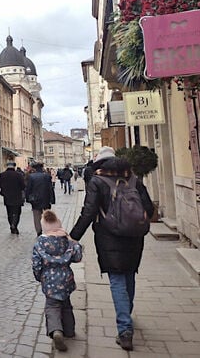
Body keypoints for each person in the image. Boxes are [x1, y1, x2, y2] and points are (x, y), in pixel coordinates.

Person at [70, 149, 154, 351]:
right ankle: (127, 314)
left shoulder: (97, 182)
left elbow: (88, 212)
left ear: (100, 164)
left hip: (109, 238)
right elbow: (149, 208)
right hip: (134, 237)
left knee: (116, 279)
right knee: (129, 274)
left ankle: (125, 330)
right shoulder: (133, 180)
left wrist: (73, 237)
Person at [32, 210, 83, 352]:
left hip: (49, 281)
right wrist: (75, 243)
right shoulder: (66, 240)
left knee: (52, 307)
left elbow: (36, 264)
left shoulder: (40, 244)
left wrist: (39, 276)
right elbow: (78, 256)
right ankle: (69, 330)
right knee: (66, 305)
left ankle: (56, 331)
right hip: (66, 279)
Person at [26, 162, 56, 236]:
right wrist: (52, 199)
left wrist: (27, 198)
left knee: (36, 216)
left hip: (35, 199)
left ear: (35, 168)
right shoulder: (47, 176)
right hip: (46, 198)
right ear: (42, 168)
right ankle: (48, 229)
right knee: (47, 215)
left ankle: (39, 231)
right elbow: (50, 188)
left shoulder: (31, 176)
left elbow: (28, 189)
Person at [0, 161, 25, 235]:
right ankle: (14, 225)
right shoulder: (19, 175)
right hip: (17, 196)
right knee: (17, 212)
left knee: (9, 212)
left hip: (7, 196)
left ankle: (11, 225)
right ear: (14, 166)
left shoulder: (2, 175)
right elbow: (23, 186)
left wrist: (3, 192)